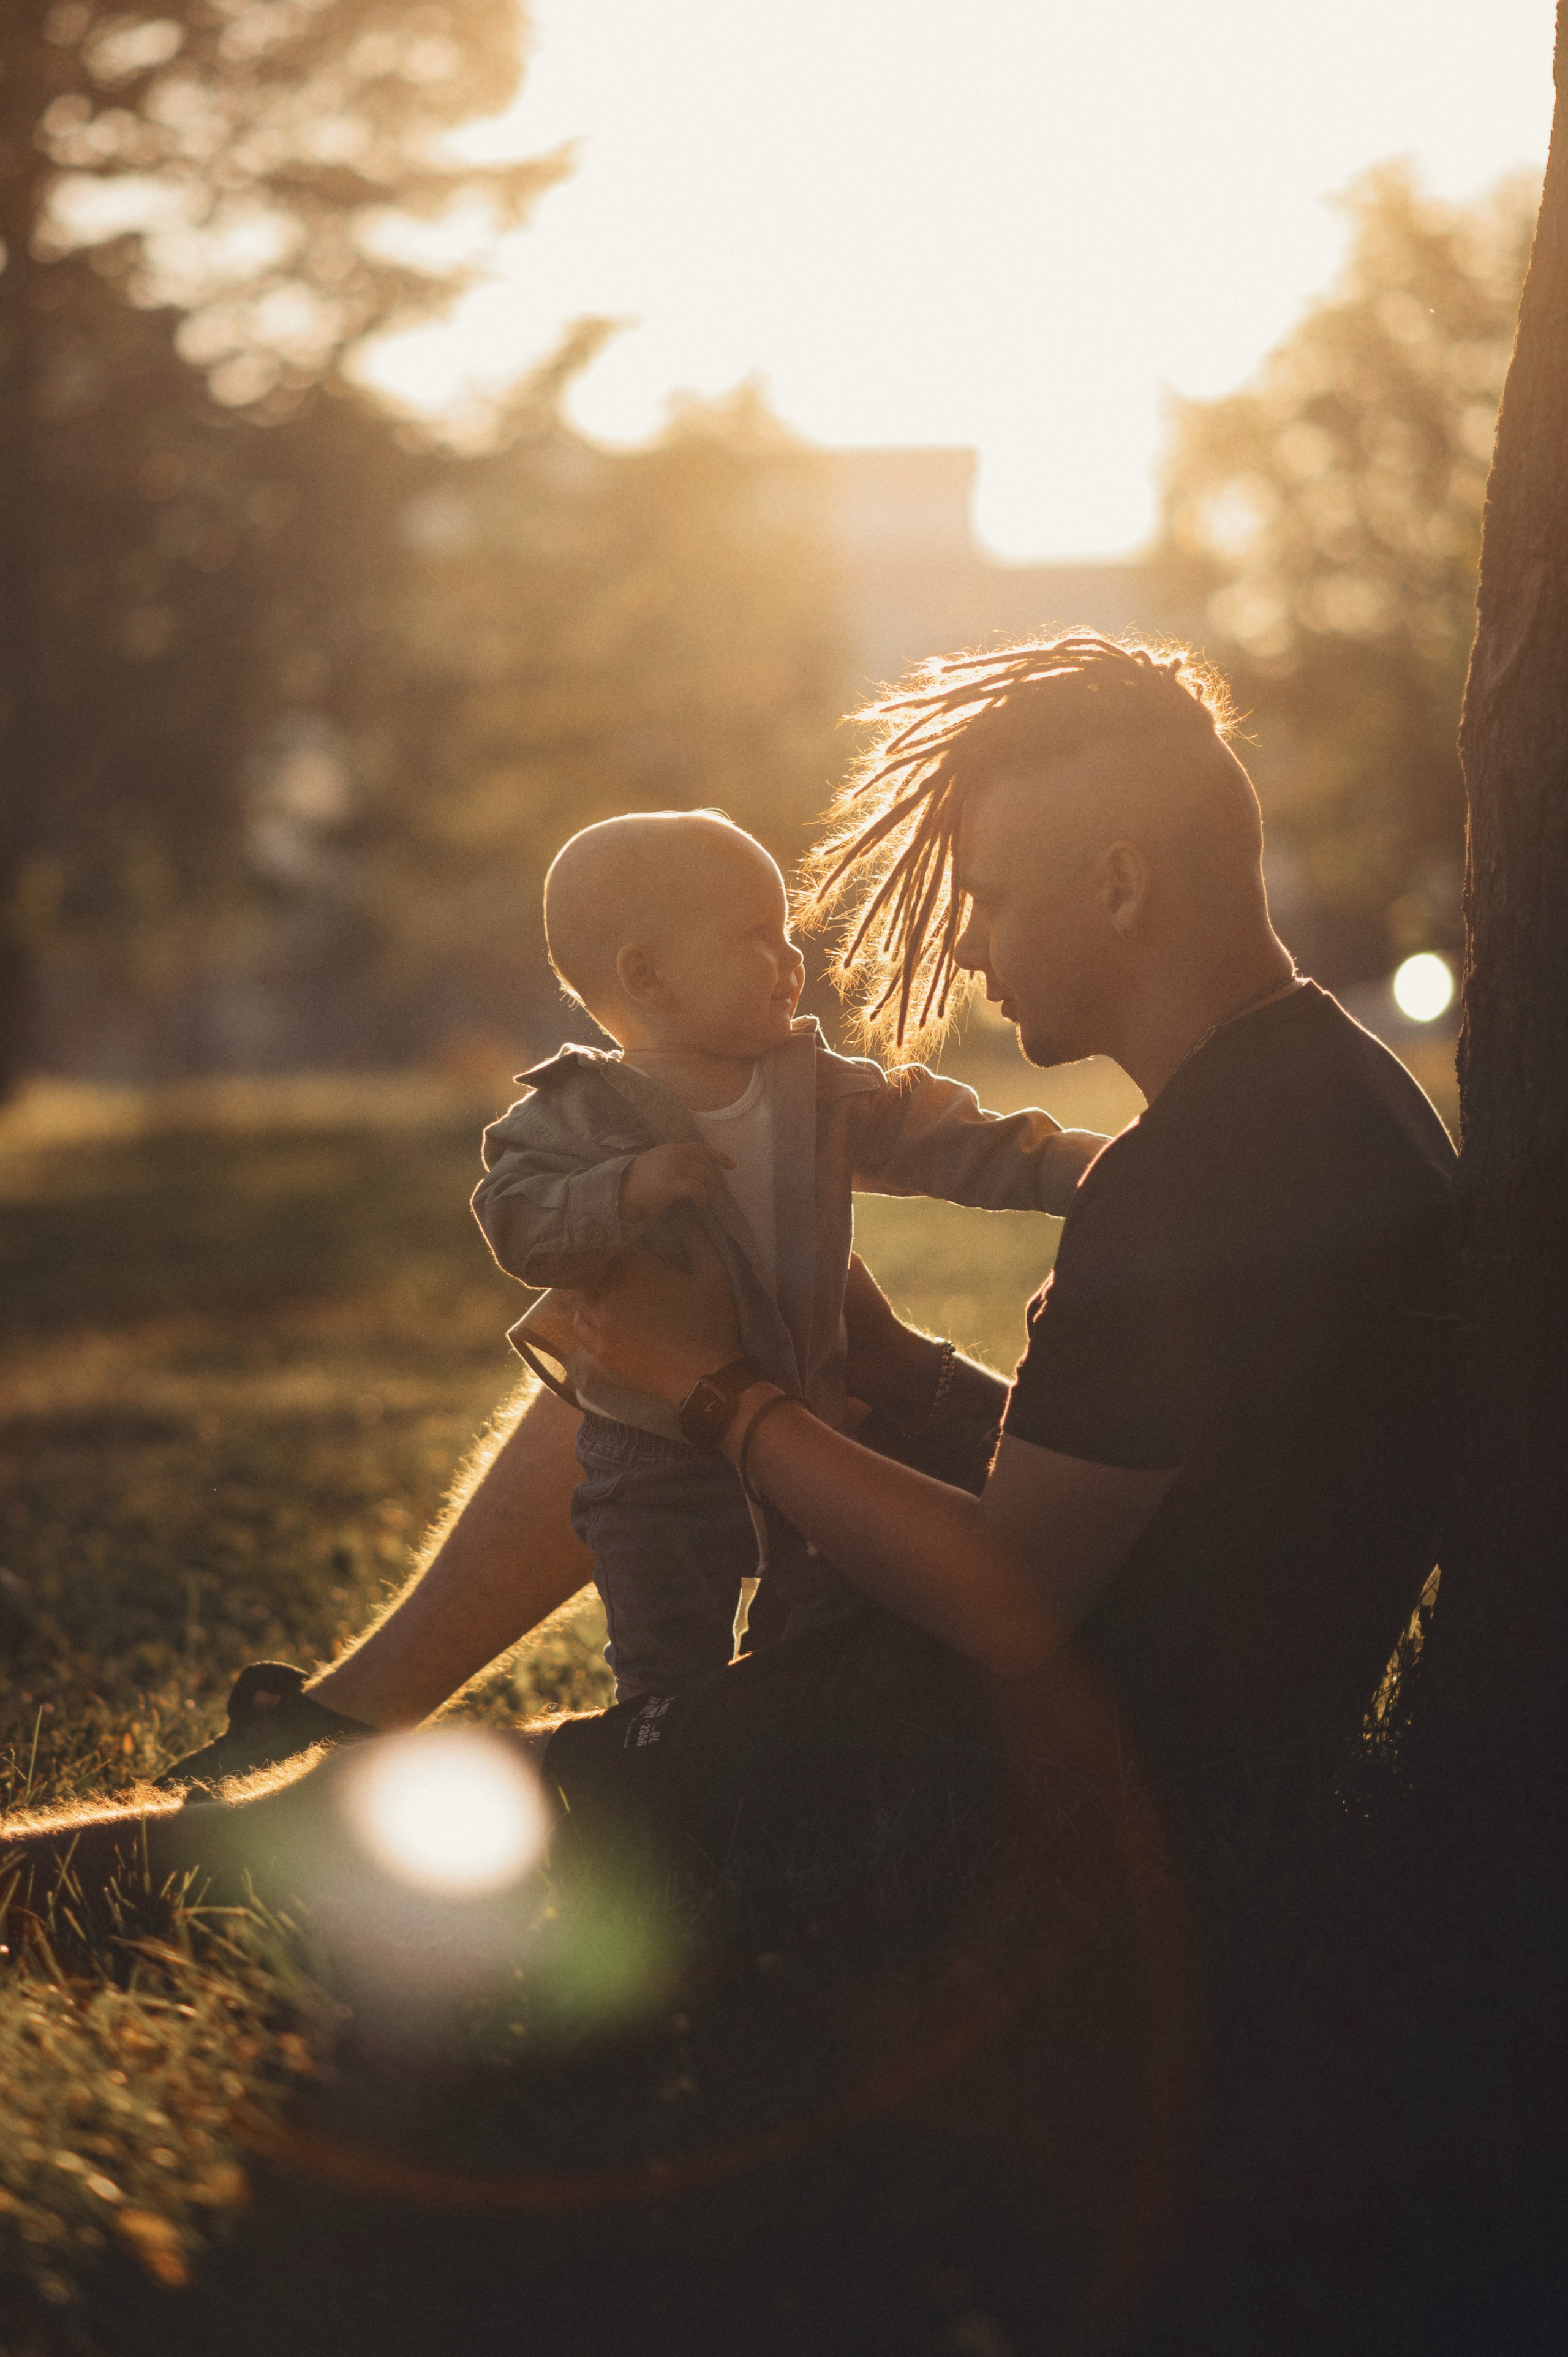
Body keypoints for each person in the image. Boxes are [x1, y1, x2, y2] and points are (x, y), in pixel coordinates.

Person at [5, 632, 1457, 1911]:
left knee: (348, 1833)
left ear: (1122, 886)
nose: (964, 939)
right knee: (645, 1355)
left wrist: (723, 1393)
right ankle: (350, 1707)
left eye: (996, 896)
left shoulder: (1188, 1181)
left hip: (1017, 1761)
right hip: (1144, 1664)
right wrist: (869, 1370)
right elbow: (1155, 1468)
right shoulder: (1330, 1085)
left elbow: (1008, 1594)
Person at [472, 809, 1101, 1701]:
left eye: (787, 932)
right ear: (646, 975)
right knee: (665, 1654)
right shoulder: (572, 1117)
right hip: (650, 1458)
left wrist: (1100, 1170)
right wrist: (624, 1191)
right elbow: (516, 1219)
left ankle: (781, 1731)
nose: (792, 959)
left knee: (811, 1633)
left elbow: (956, 1140)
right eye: (756, 937)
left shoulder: (816, 1089)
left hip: (810, 1423)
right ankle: (668, 1755)